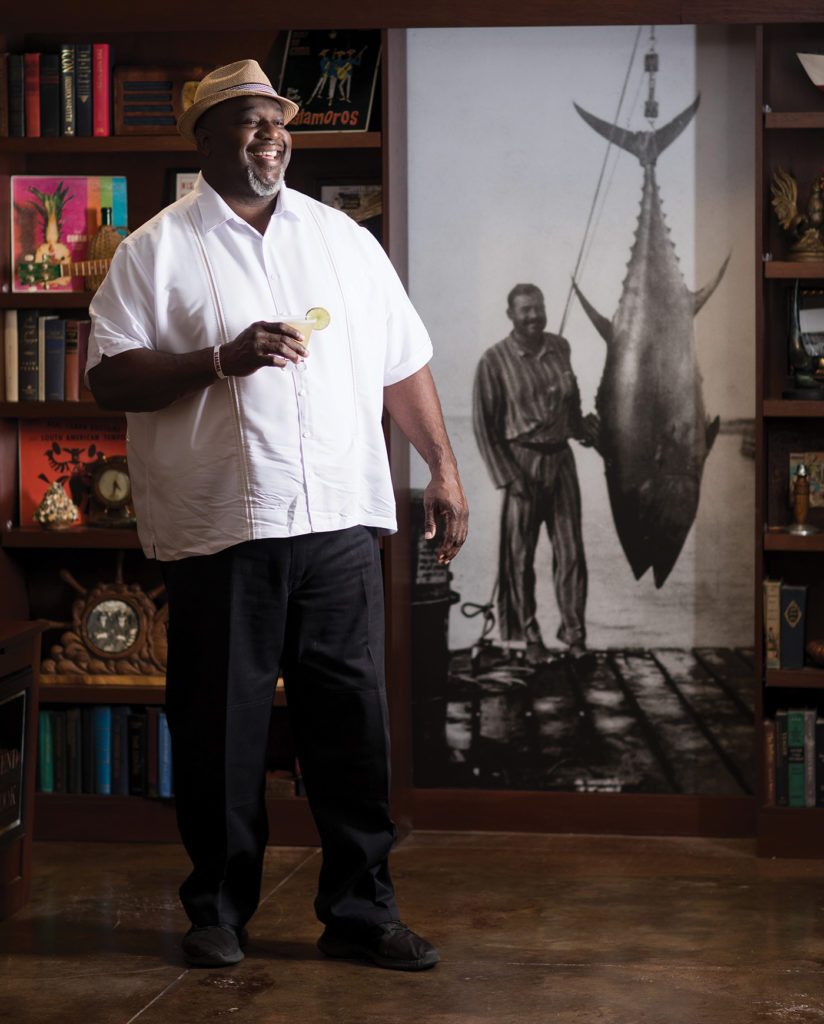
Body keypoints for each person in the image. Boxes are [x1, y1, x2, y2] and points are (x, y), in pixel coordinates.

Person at [86, 60, 468, 973]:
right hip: (223, 526)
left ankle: (361, 909)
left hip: (338, 515)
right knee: (222, 727)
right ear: (205, 138)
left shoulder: (345, 241)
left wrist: (443, 468)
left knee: (350, 722)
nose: (270, 135)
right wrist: (221, 357)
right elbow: (107, 375)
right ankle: (218, 910)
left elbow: (401, 363)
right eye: (248, 121)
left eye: (277, 121)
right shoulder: (156, 249)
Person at [472, 284, 597, 666]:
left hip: (561, 463)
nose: (533, 316)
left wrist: (583, 429)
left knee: (571, 553)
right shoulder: (493, 360)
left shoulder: (561, 347)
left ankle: (575, 637)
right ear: (511, 314)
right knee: (519, 558)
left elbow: (571, 407)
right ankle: (528, 637)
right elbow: (483, 427)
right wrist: (508, 478)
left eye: (538, 308)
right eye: (525, 310)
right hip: (520, 466)